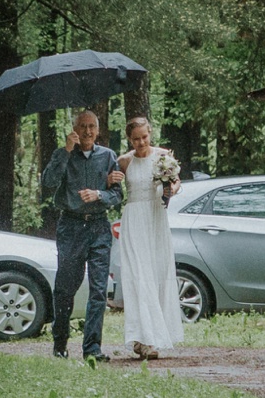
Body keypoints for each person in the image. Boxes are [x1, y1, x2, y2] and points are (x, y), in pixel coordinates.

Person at [39, 109, 121, 363]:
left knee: (98, 289)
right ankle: (60, 343)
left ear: (98, 130)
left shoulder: (108, 157)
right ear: (75, 128)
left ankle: (92, 349)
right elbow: (49, 182)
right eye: (82, 126)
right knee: (65, 288)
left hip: (98, 227)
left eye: (92, 126)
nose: (87, 131)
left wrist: (100, 194)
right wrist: (65, 151)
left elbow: (118, 195)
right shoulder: (63, 154)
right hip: (71, 227)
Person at [115, 117, 183, 359]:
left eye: (144, 136)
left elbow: (176, 182)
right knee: (138, 277)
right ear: (129, 140)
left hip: (156, 218)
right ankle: (143, 339)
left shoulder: (164, 156)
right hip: (134, 219)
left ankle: (152, 335)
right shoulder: (124, 161)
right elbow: (112, 185)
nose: (141, 142)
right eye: (136, 139)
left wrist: (171, 190)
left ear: (150, 133)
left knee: (156, 275)